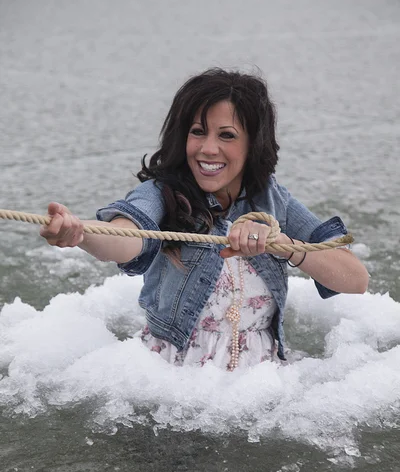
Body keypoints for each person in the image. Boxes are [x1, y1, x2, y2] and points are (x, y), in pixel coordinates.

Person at [40, 68, 369, 371]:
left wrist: (283, 245)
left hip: (261, 379)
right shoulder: (161, 193)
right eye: (198, 132)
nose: (207, 149)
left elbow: (355, 280)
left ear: (253, 143)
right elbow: (126, 237)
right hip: (175, 378)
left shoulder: (272, 200)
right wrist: (80, 234)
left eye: (226, 135)